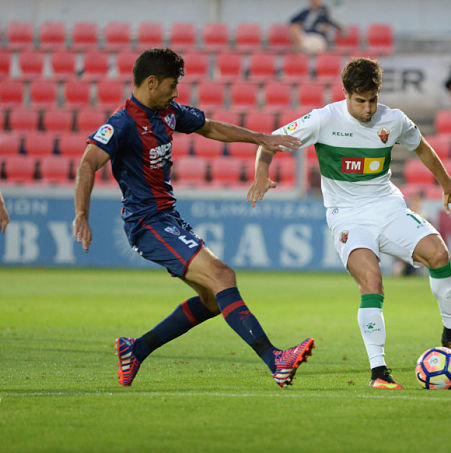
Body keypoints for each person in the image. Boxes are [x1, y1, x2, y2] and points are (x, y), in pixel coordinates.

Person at [73, 48, 314, 388]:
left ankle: (136, 349)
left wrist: (260, 138)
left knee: (213, 300)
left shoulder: (168, 112)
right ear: (152, 82)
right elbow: (87, 163)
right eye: (172, 85)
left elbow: (211, 127)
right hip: (147, 223)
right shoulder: (122, 123)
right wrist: (82, 214)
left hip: (167, 218)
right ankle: (275, 359)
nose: (176, 93)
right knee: (222, 274)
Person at [247, 57, 451, 389]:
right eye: (360, 101)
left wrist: (447, 185)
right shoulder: (325, 119)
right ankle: (379, 372)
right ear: (346, 95)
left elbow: (423, 148)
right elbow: (269, 140)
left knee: (439, 255)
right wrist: (261, 174)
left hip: (387, 207)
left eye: (372, 100)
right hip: (348, 216)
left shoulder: (393, 120)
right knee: (372, 280)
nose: (368, 109)